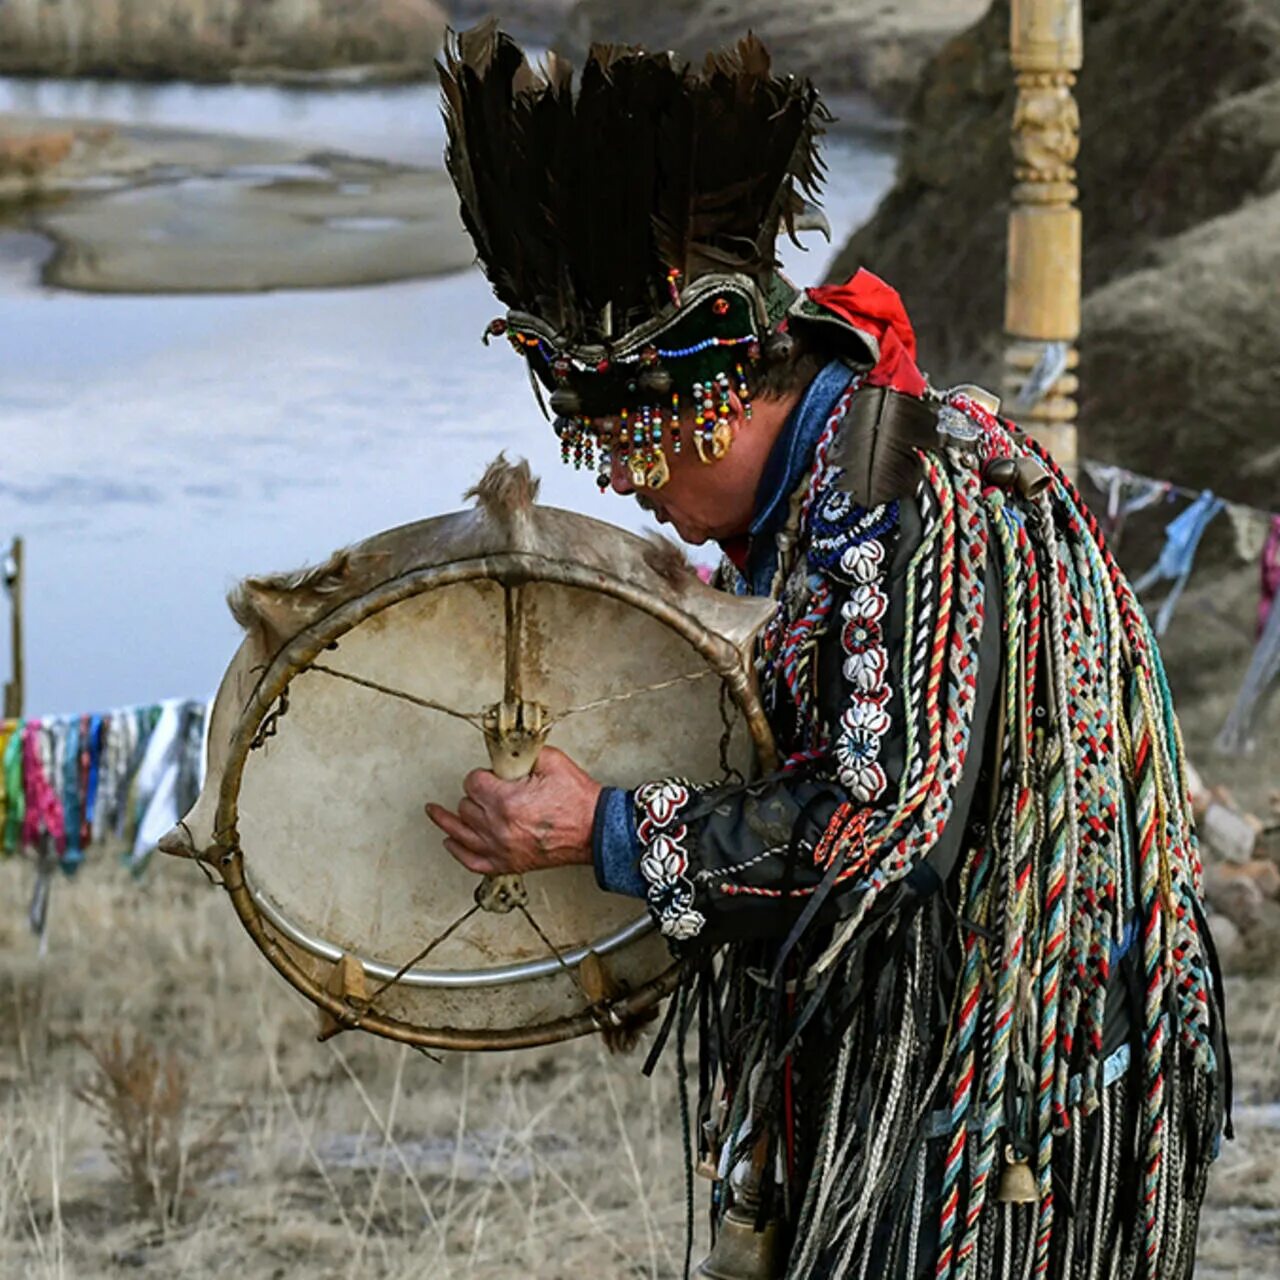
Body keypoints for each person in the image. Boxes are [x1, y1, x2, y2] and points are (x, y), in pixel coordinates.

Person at [426, 24, 1229, 1279]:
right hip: (904, 1059)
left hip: (999, 1084)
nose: (632, 484)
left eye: (639, 444)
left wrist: (606, 832)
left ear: (711, 397)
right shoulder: (804, 512)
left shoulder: (894, 497)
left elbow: (883, 835)